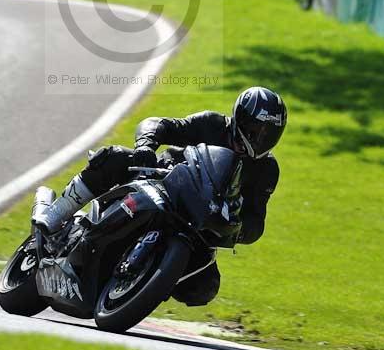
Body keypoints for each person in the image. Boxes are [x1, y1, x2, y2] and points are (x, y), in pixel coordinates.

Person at [35, 86, 286, 306]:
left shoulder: (266, 171)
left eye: (269, 134)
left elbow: (256, 219)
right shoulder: (213, 124)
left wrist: (238, 228)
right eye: (256, 129)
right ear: (240, 118)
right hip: (164, 182)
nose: (261, 138)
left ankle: (142, 281)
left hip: (199, 224)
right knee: (114, 158)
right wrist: (146, 144)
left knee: (203, 287)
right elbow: (162, 124)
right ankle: (57, 213)